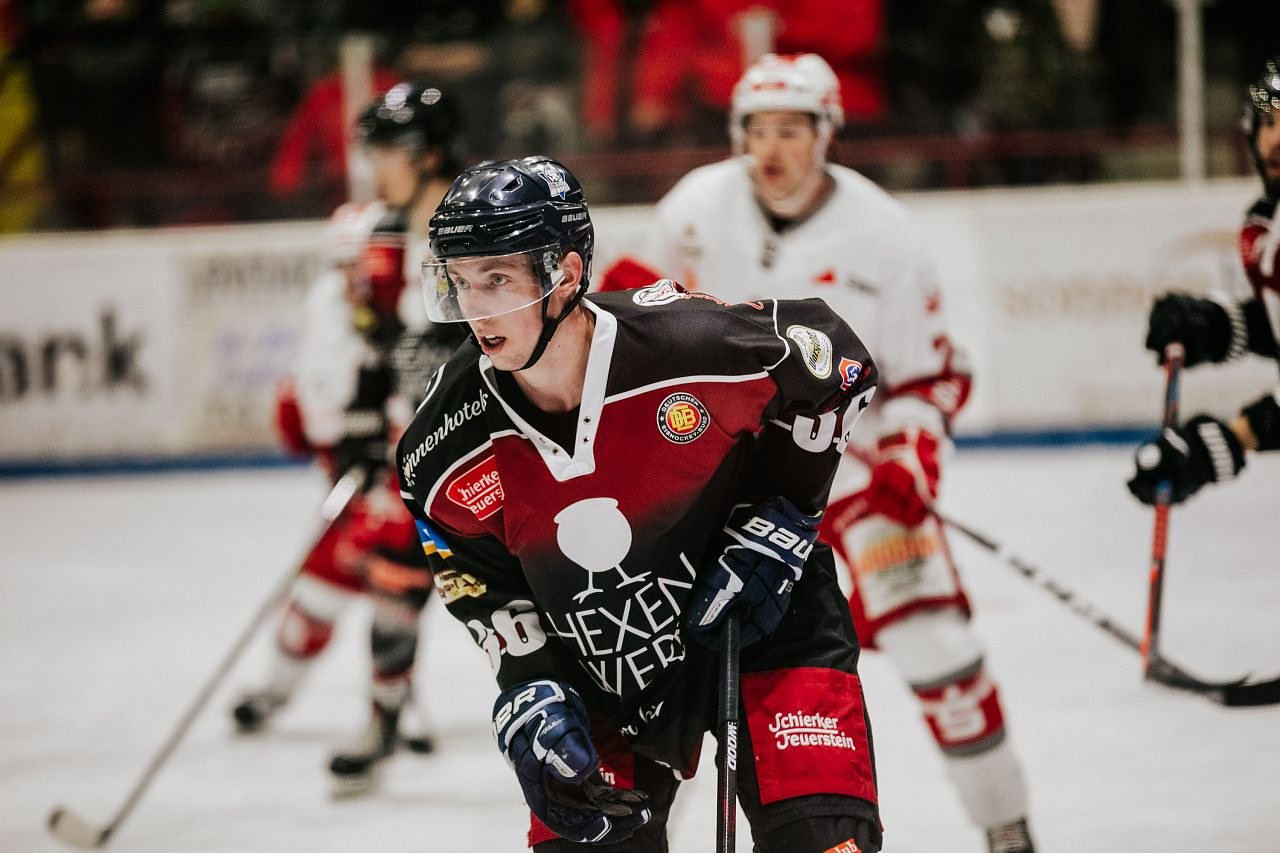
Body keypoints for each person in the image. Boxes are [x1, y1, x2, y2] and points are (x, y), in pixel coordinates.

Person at [606, 53, 1037, 853]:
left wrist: (910, 456)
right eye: (758, 130)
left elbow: (928, 377)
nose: (772, 149)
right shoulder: (694, 208)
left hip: (854, 481)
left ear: (827, 132)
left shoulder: (885, 233)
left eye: (791, 131)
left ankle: (1005, 823)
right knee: (675, 667)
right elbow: (625, 325)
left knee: (939, 648)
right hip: (721, 490)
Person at [396, 155, 883, 851]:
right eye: (461, 282)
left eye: (497, 279)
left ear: (565, 273)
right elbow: (478, 581)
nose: (476, 308)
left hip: (764, 619)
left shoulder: (686, 343)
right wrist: (528, 683)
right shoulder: (442, 447)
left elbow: (833, 360)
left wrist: (783, 516)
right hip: (601, 664)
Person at [230, 82, 468, 796]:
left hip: (505, 443)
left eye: (388, 151)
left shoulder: (482, 223)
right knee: (393, 570)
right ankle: (385, 716)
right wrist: (364, 429)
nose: (374, 166)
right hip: (423, 447)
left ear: (428, 154)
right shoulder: (383, 239)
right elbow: (376, 349)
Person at [1127, 56, 1280, 506]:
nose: (1276, 139)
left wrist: (1235, 438)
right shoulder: (1267, 222)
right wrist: (1220, 326)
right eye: (1268, 122)